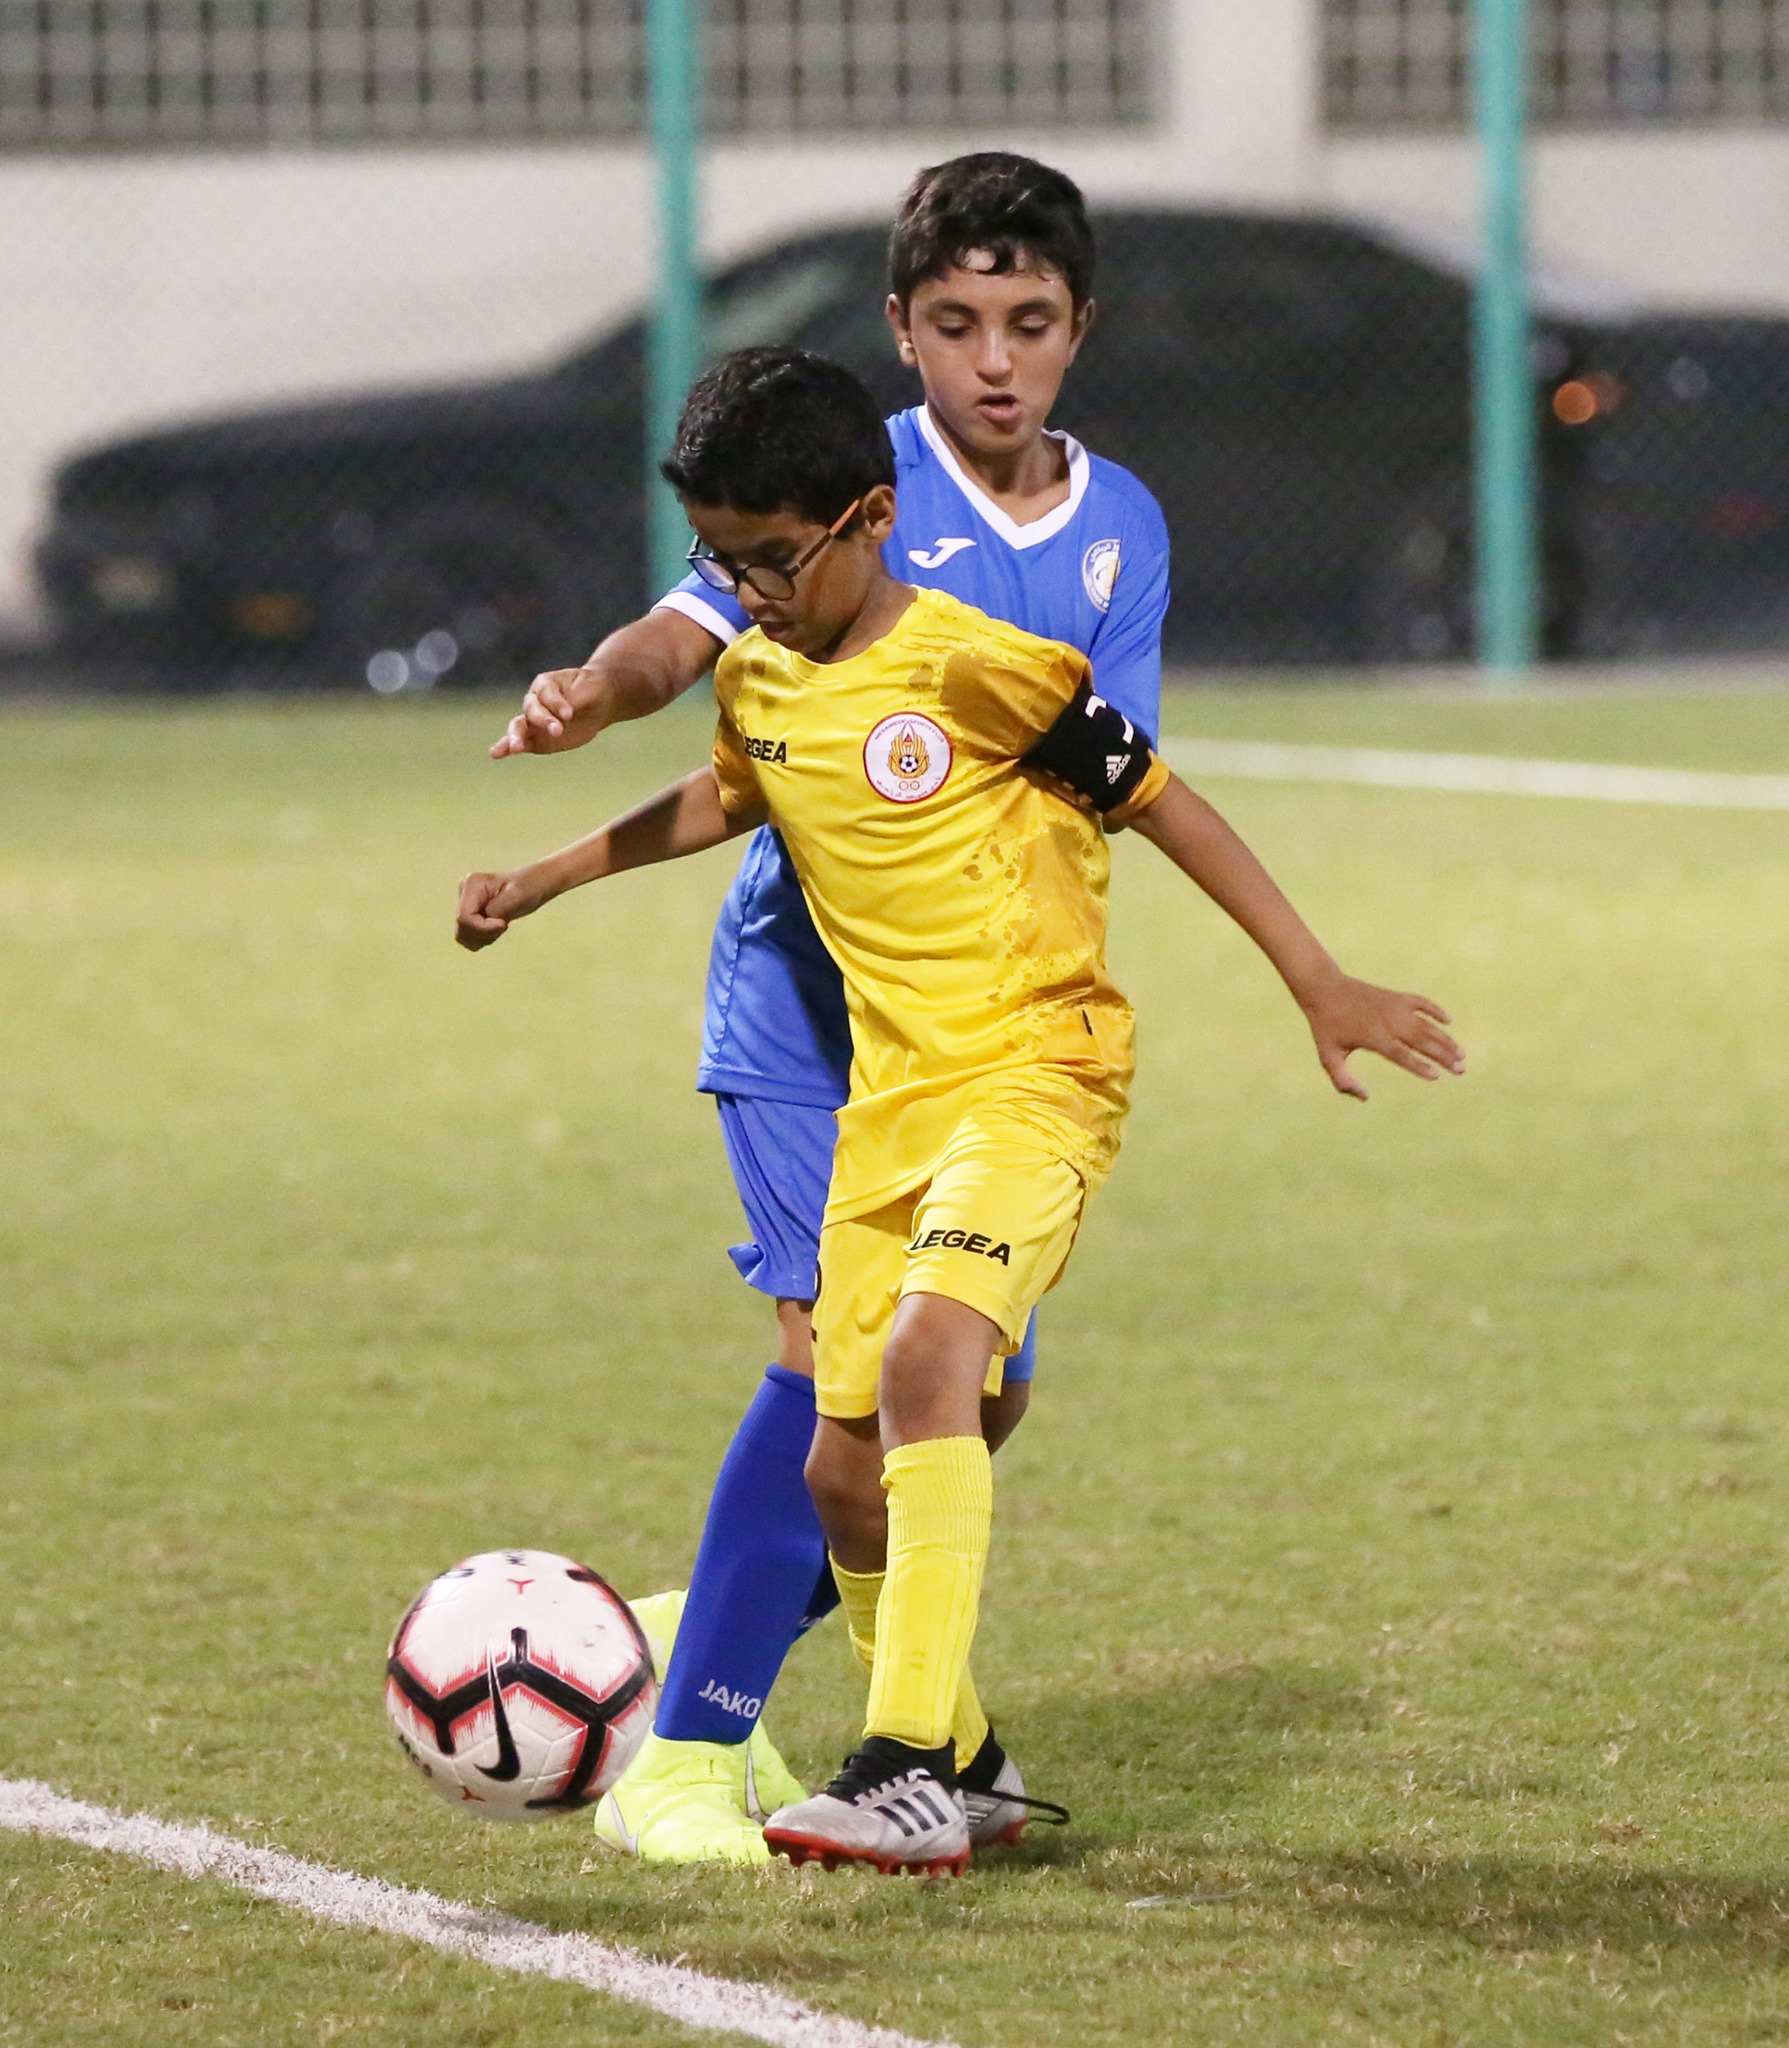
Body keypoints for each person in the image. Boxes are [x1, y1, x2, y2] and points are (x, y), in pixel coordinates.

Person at [456, 347, 1465, 1874]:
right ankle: (973, 1763)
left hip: (1036, 1070)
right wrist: (541, 880)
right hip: (890, 1106)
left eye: (772, 558)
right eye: (723, 561)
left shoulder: (978, 666)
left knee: (935, 1365)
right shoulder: (760, 674)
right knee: (839, 1474)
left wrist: (1315, 978)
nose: (750, 591)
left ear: (869, 518)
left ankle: (904, 1761)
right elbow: (733, 793)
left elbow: (1160, 798)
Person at [486, 154, 1172, 1864]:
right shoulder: (839, 480)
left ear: (1077, 330)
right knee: (834, 1381)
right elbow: (680, 637)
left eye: (1026, 323)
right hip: (809, 1009)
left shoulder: (1120, 526)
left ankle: (768, 1638)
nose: (993, 360)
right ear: (901, 330)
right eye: (955, 323)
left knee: (972, 1403)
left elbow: (1104, 765)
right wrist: (595, 692)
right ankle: (688, 1750)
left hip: (982, 1025)